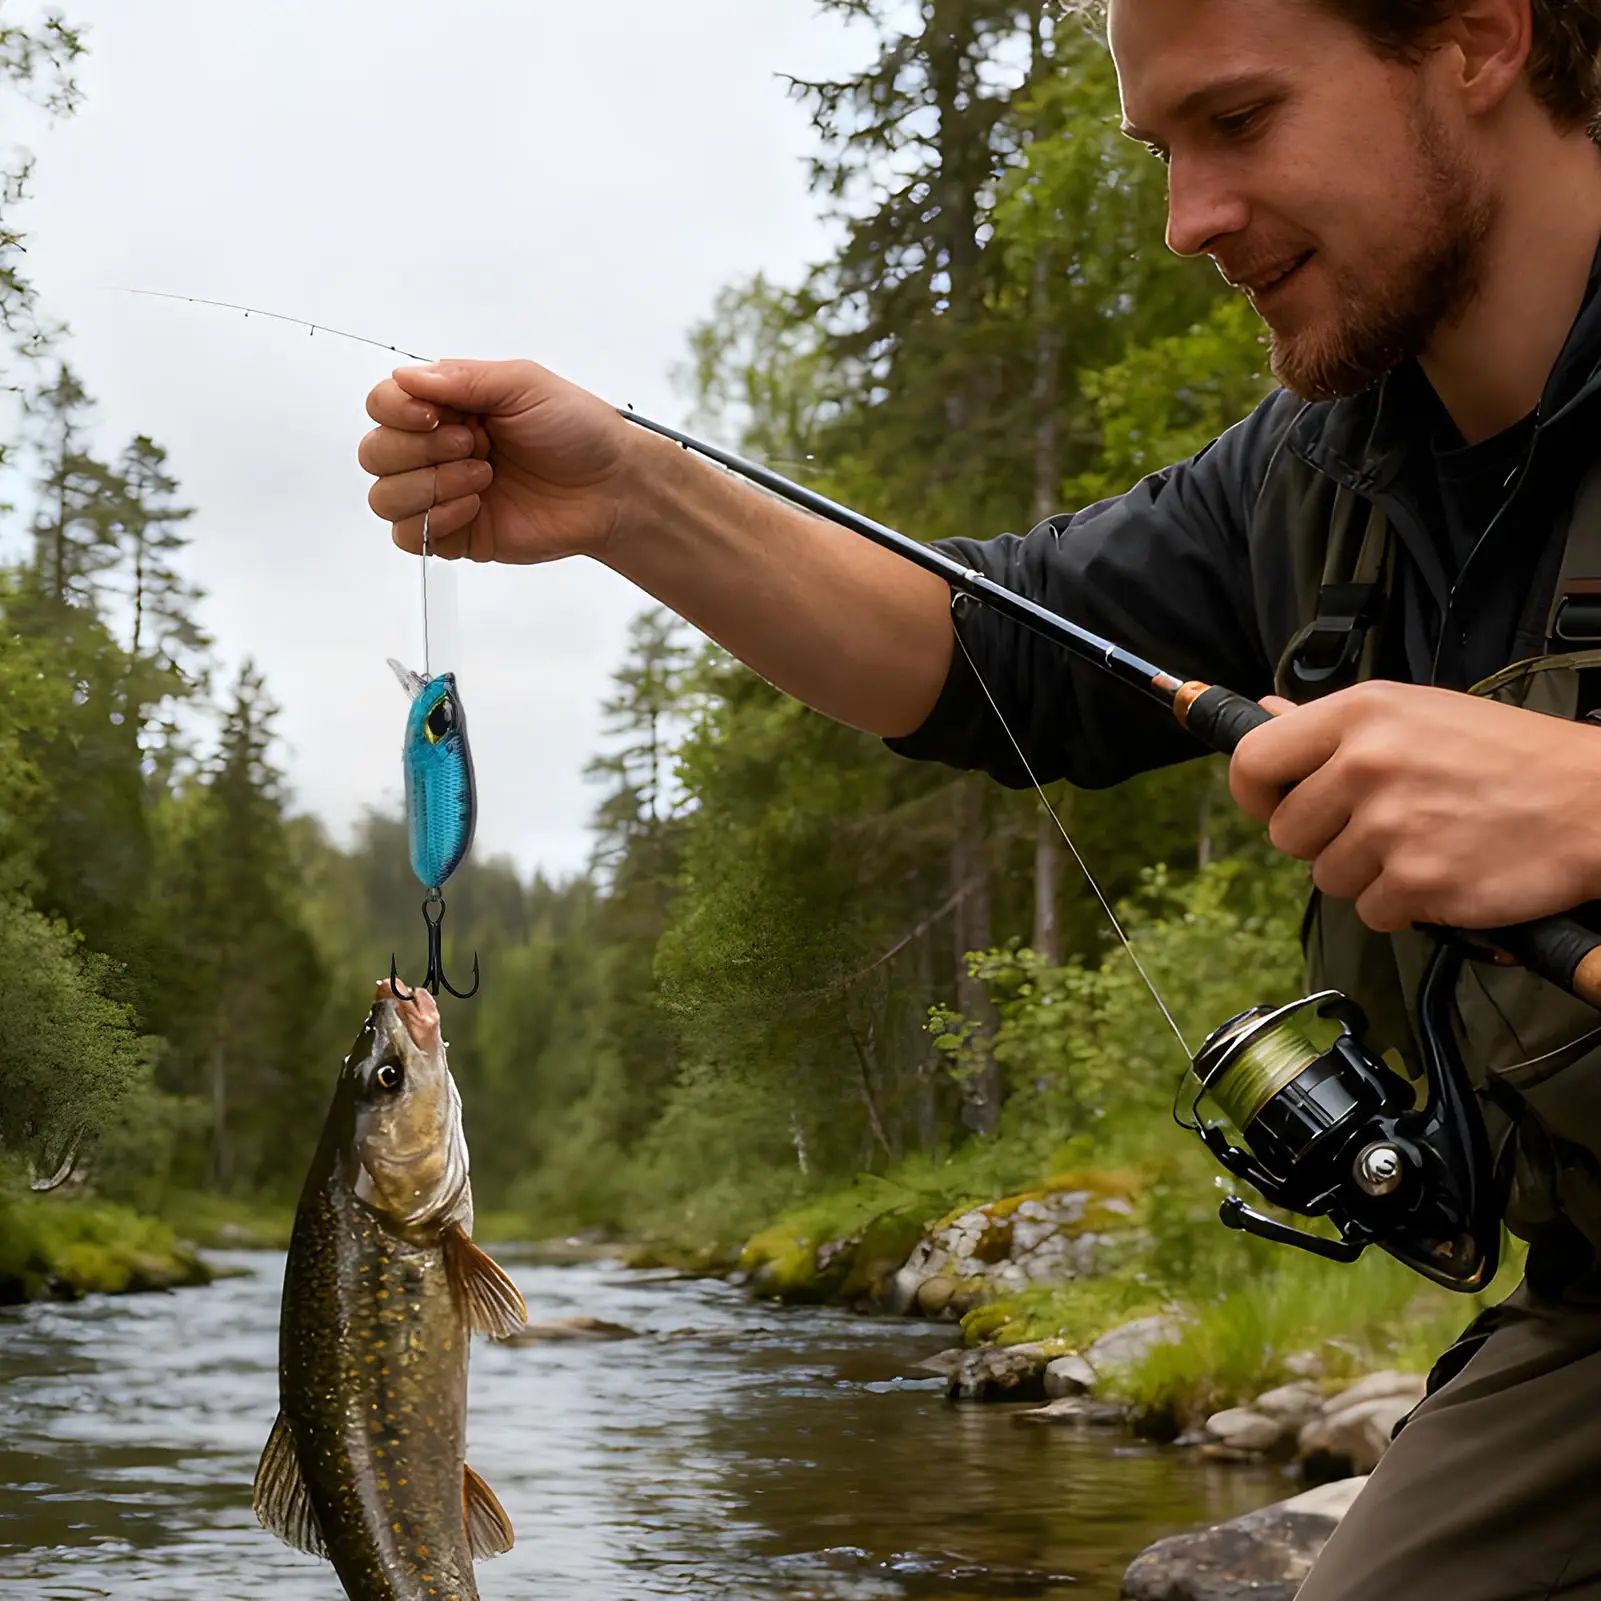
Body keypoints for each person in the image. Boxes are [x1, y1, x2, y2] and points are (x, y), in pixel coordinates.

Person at [361, 1, 1601, 1593]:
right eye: (1162, 155)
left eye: (1240, 121)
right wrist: (624, 494)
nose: (1187, 224)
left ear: (1481, 39)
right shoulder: (1314, 475)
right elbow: (976, 654)